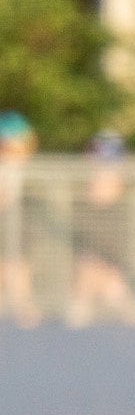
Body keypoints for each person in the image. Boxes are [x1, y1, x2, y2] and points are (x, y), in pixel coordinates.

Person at [68, 129, 135, 326]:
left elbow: (108, 191)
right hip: (95, 216)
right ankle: (84, 304)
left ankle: (113, 304)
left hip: (109, 217)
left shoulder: (116, 173)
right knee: (90, 264)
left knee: (108, 270)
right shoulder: (95, 171)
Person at [0, 110, 41, 327]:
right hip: (5, 214)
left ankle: (22, 304)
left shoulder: (19, 162)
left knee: (20, 261)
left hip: (16, 213)